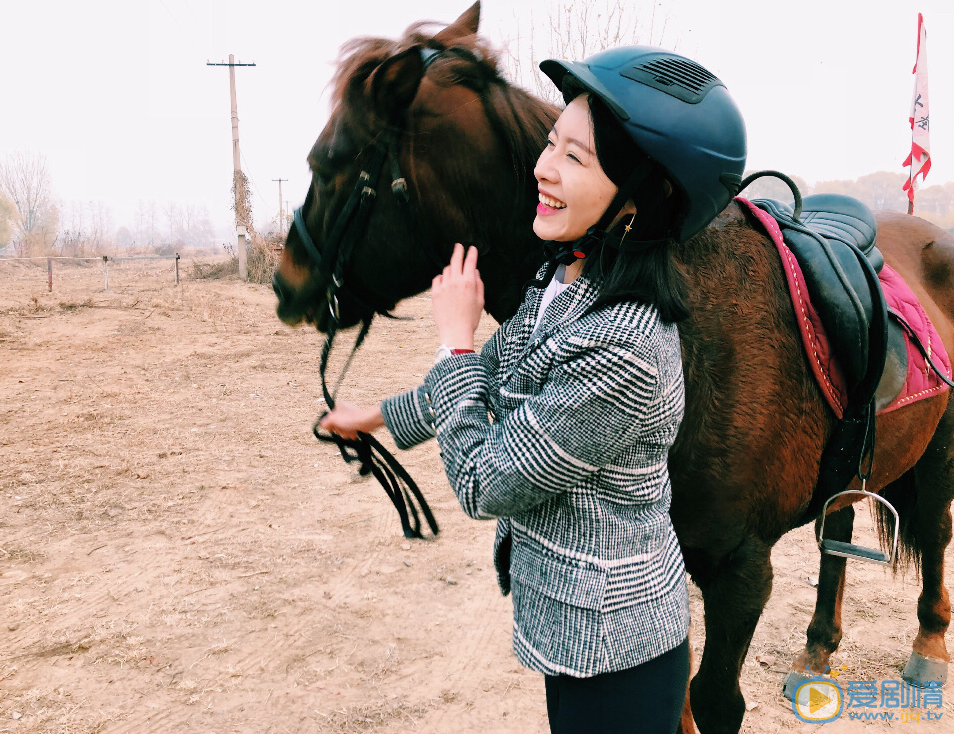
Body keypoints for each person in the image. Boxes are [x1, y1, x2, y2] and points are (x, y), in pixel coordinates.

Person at [320, 45, 746, 734]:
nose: (543, 168)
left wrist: (453, 339)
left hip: (614, 655)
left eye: (576, 158)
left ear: (638, 201)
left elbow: (487, 482)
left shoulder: (627, 348)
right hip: (580, 637)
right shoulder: (571, 279)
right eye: (553, 143)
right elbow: (495, 372)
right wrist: (379, 415)